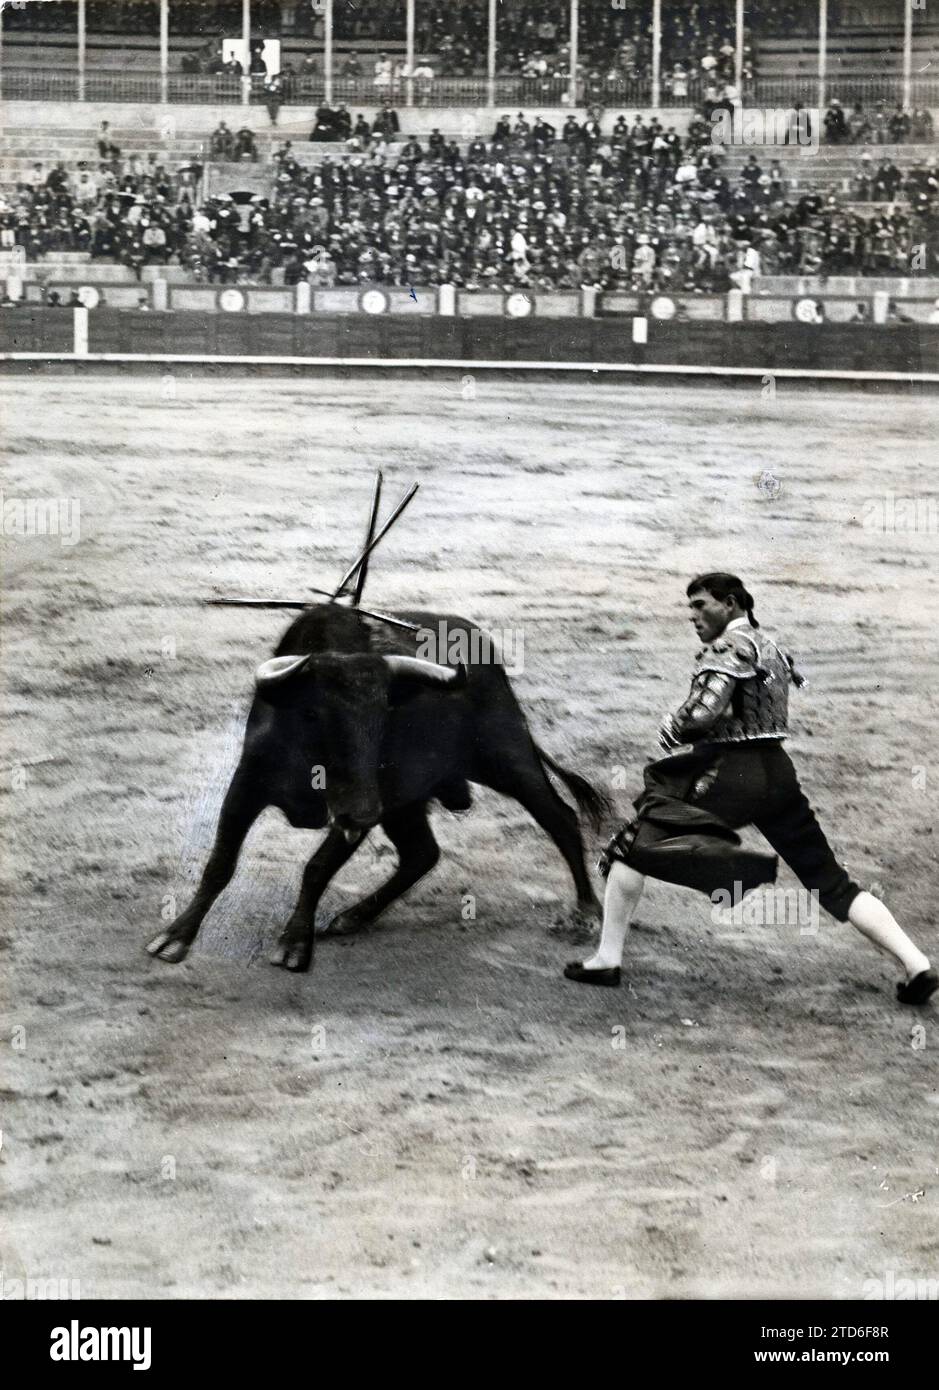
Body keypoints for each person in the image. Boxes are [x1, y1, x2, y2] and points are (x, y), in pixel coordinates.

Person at [564, 573, 937, 1007]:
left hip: (730, 774)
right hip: (778, 772)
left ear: (732, 603)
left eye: (702, 605)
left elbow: (700, 716)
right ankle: (917, 965)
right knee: (829, 880)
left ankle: (607, 959)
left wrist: (672, 726)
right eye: (691, 608)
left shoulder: (728, 648)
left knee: (632, 844)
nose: (693, 616)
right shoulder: (772, 647)